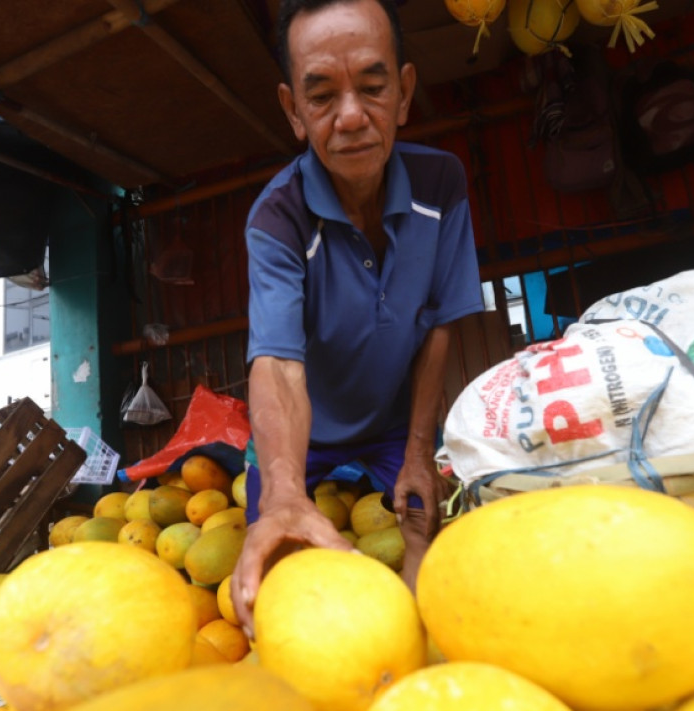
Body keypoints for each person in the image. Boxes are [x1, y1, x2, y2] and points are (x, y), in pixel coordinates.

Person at [230, 0, 483, 639]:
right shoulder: (276, 219)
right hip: (298, 439)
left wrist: (420, 452)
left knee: (440, 563)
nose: (350, 117)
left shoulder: (442, 182)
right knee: (282, 602)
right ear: (293, 111)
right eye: (321, 97)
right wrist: (285, 491)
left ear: (403, 92)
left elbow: (439, 327)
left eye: (372, 88)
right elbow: (279, 361)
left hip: (394, 428)